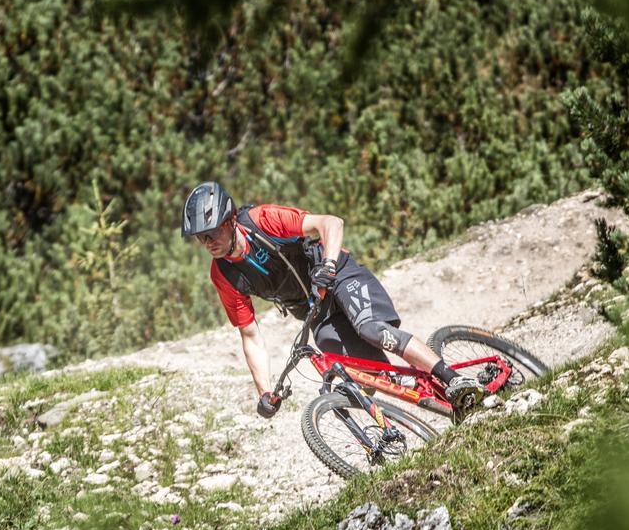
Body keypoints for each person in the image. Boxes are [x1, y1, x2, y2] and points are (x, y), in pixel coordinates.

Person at [181, 180, 482, 419]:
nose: (208, 243)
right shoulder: (223, 275)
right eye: (200, 238)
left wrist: (328, 265)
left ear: (230, 219)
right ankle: (451, 407)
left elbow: (331, 223)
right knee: (353, 371)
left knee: (372, 329)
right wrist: (264, 392)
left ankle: (452, 377)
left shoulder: (262, 220)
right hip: (315, 309)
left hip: (337, 276)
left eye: (211, 232)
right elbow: (250, 336)